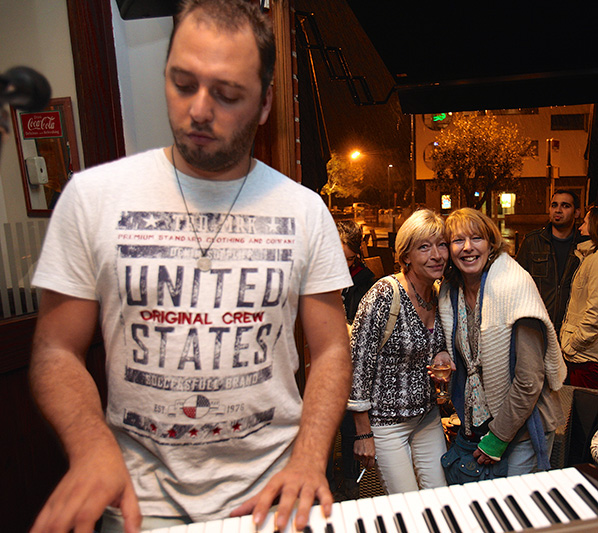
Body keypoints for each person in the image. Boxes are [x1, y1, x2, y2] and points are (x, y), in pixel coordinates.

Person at [28, 2, 353, 532]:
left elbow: (332, 347)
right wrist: (89, 447)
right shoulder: (92, 197)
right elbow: (55, 350)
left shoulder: (304, 211)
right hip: (137, 502)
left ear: (265, 104)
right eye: (182, 84)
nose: (199, 110)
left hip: (272, 496)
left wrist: (310, 457)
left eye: (227, 94)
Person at [439, 208, 566, 475]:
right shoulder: (452, 291)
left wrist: (498, 437)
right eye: (458, 240)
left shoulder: (514, 286)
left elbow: (529, 380)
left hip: (524, 428)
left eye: (477, 238)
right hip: (481, 426)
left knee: (517, 501)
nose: (468, 247)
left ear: (491, 244)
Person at [348, 209, 450, 494]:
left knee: (440, 495)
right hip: (387, 423)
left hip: (427, 416)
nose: (436, 255)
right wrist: (363, 433)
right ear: (406, 256)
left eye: (441, 245)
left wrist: (442, 354)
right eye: (424, 247)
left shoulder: (439, 293)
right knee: (407, 503)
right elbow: (358, 365)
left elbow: (435, 345)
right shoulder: (384, 294)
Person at [328, 220, 375, 500]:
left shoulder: (366, 280)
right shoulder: (321, 272)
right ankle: (325, 480)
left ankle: (349, 480)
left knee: (349, 425)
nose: (342, 264)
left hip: (351, 362)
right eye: (338, 256)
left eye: (348, 259)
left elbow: (362, 332)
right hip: (322, 360)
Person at [516, 189, 584, 336]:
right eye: (554, 205)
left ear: (577, 212)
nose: (558, 210)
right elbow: (516, 283)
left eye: (565, 206)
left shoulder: (585, 245)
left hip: (572, 331)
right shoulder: (533, 241)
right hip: (537, 327)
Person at [560, 206, 598, 389]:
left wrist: (574, 343)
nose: (581, 228)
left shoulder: (596, 261)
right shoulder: (589, 257)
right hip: (584, 355)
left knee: (584, 404)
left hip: (586, 357)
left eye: (585, 222)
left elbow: (595, 312)